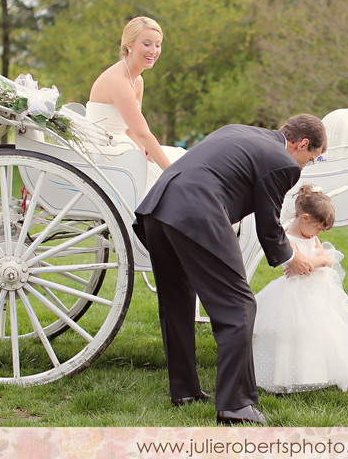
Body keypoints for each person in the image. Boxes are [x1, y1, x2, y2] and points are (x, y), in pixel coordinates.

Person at [133, 114, 327, 426]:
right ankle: (236, 406)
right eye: (311, 158)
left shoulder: (239, 130)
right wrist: (293, 257)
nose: (305, 166)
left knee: (177, 301)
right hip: (197, 211)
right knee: (239, 306)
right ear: (302, 143)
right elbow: (269, 225)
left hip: (158, 207)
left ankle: (184, 391)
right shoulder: (284, 162)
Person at [253, 185, 348, 394]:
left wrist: (317, 260)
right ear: (305, 219)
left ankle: (318, 372)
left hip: (317, 292)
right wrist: (317, 261)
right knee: (295, 332)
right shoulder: (288, 239)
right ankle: (290, 375)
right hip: (295, 294)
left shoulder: (312, 236)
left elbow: (325, 260)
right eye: (318, 228)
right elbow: (306, 264)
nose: (318, 233)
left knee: (321, 330)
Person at [87, 16, 185, 191]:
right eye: (146, 44)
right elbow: (143, 133)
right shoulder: (118, 81)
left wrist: (143, 150)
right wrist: (171, 173)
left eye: (158, 45)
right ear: (129, 45)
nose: (153, 51)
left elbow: (131, 129)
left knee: (180, 158)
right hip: (105, 149)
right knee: (170, 172)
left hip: (122, 142)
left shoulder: (137, 80)